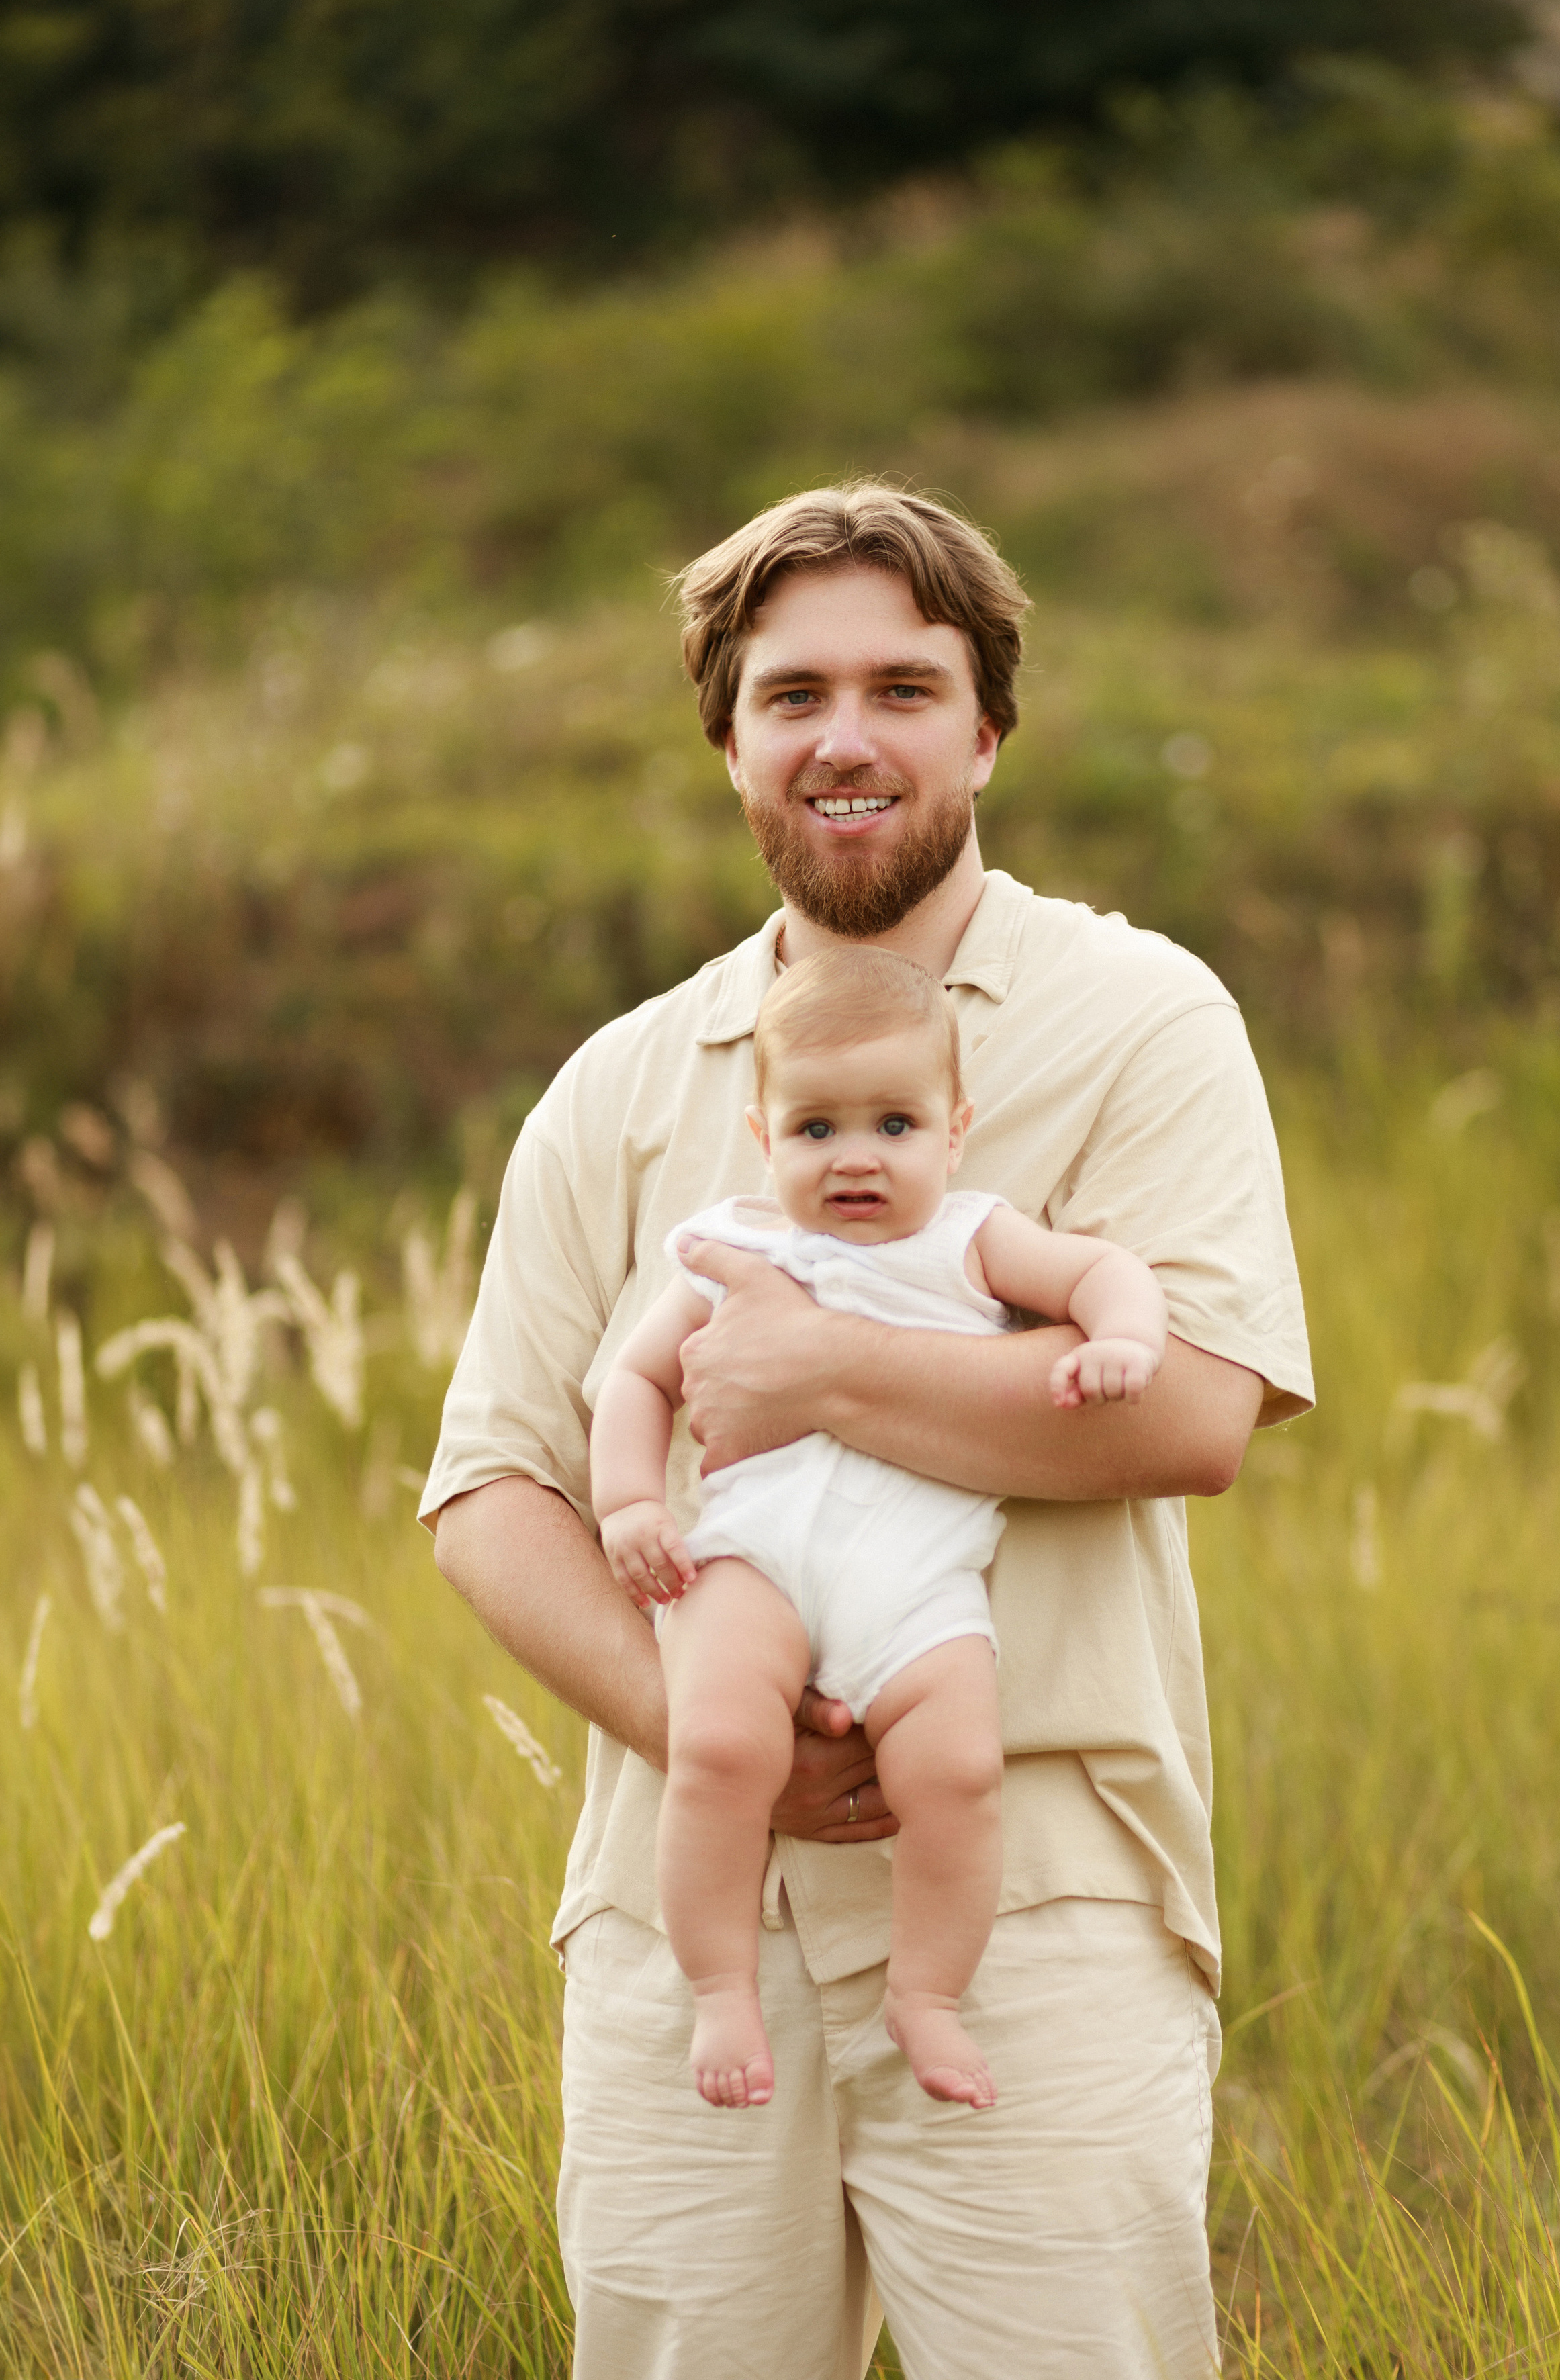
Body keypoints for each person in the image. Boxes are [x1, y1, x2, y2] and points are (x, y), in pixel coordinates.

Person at [424, 481, 1314, 2380]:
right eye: (793, 694)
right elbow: (491, 1485)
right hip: (686, 1916)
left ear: (987, 729)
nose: (846, 737)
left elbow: (1192, 1409)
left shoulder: (1142, 1017)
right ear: (729, 743)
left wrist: (815, 1369)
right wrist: (713, 1736)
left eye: (903, 689)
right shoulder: (619, 1083)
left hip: (1032, 1896)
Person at [591, 944, 1170, 2113]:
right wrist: (632, 1503)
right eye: (817, 1128)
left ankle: (928, 1992)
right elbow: (636, 1381)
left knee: (957, 1771)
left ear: (955, 1133)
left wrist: (1124, 1340)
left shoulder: (970, 1239)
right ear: (764, 1137)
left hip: (918, 1580)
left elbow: (1103, 1271)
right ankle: (720, 1985)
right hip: (753, 1560)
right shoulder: (733, 1246)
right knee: (718, 1747)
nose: (856, 1156)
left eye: (894, 1124)